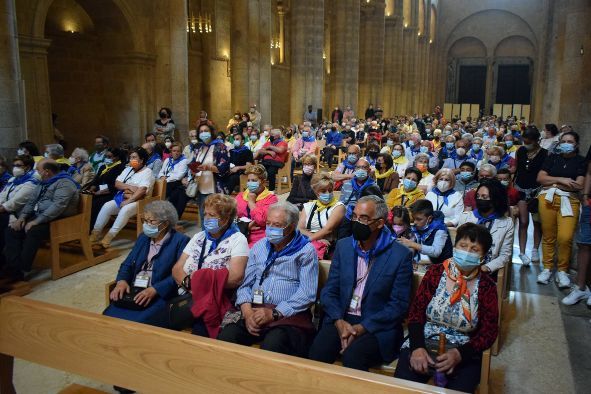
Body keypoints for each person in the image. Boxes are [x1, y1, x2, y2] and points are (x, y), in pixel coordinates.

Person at [309, 195, 413, 370]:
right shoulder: (344, 246)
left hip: (376, 323)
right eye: (354, 216)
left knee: (354, 357)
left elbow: (398, 305)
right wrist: (338, 321)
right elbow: (329, 291)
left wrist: (361, 328)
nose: (356, 222)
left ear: (379, 223)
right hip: (340, 317)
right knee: (316, 354)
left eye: (363, 218)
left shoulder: (400, 255)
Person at [394, 223, 499, 393]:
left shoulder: (486, 286)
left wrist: (460, 354)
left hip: (463, 348)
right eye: (463, 246)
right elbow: (416, 313)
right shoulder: (435, 273)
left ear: (483, 256)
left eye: (474, 249)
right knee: (402, 388)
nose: (466, 252)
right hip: (424, 339)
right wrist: (417, 347)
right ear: (455, 247)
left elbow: (489, 330)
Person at [218, 201, 318, 357]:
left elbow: (307, 293)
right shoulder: (259, 246)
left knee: (274, 343)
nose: (270, 229)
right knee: (227, 336)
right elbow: (245, 283)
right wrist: (247, 311)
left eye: (277, 225)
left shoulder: (305, 251)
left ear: (291, 227)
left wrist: (275, 313)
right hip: (254, 309)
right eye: (268, 224)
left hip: (287, 314)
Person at [170, 194, 249, 336]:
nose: (206, 218)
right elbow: (177, 268)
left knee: (200, 332)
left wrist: (202, 287)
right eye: (205, 213)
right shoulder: (199, 236)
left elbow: (235, 278)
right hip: (189, 294)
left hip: (215, 299)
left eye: (211, 215)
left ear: (225, 219)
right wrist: (190, 284)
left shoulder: (238, 239)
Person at [105, 201, 190, 327]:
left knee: (135, 324)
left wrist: (156, 289)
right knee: (108, 317)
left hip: (161, 294)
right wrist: (121, 281)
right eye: (145, 220)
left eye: (151, 221)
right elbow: (127, 264)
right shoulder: (143, 237)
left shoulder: (181, 241)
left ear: (165, 223)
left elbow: (180, 275)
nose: (147, 225)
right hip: (135, 289)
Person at [1, 160, 79, 282]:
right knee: (12, 229)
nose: (36, 172)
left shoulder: (65, 183)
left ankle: (20, 269)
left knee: (33, 230)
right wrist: (22, 218)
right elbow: (31, 202)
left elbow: (58, 207)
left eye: (38, 169)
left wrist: (36, 221)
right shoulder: (43, 182)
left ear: (47, 171)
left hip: (60, 220)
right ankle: (14, 267)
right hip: (40, 216)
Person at [536, 131, 586, 287]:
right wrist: (561, 180)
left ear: (576, 144)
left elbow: (579, 184)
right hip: (548, 198)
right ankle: (547, 267)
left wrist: (552, 181)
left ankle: (562, 270)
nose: (566, 144)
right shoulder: (552, 158)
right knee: (549, 236)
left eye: (570, 141)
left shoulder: (581, 161)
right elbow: (540, 178)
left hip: (569, 200)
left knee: (565, 237)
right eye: (563, 141)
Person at [91, 147, 155, 249]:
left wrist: (129, 199)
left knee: (125, 209)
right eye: (130, 157)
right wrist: (130, 187)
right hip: (123, 197)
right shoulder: (128, 169)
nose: (131, 160)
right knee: (107, 206)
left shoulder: (147, 172)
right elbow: (117, 184)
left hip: (141, 201)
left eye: (134, 157)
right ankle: (95, 234)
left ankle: (108, 238)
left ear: (142, 159)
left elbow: (141, 190)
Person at [457, 179, 514, 273]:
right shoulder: (466, 217)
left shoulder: (507, 223)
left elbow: (505, 255)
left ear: (495, 199)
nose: (480, 200)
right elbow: (457, 246)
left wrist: (487, 267)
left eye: (484, 197)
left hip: (486, 270)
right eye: (478, 196)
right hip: (462, 266)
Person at [513, 127, 547, 265]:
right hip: (520, 188)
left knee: (538, 223)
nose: (525, 143)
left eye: (528, 141)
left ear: (536, 140)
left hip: (537, 191)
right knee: (523, 221)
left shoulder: (545, 154)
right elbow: (516, 168)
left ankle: (534, 249)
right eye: (524, 141)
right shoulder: (520, 151)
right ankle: (521, 252)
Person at [185, 123, 230, 225]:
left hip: (215, 188)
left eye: (206, 131)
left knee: (217, 218)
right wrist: (192, 170)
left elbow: (224, 168)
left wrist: (208, 167)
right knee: (204, 216)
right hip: (200, 187)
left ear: (211, 132)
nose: (203, 133)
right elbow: (193, 162)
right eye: (201, 132)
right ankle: (207, 239)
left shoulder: (220, 146)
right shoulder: (198, 147)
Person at [0, 155, 38, 268]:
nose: (15, 168)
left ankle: (12, 268)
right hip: (8, 213)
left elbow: (15, 203)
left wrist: (3, 208)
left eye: (18, 165)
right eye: (14, 165)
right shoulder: (13, 180)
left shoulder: (32, 182)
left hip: (22, 214)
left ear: (27, 167)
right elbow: (2, 195)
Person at [562, 159, 591, 305]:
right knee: (584, 244)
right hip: (590, 203)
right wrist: (585, 196)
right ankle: (581, 288)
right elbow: (589, 171)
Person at [298, 174, 346, 259]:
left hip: (329, 244)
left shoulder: (339, 207)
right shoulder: (308, 206)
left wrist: (310, 239)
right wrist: (315, 239)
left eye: (330, 190)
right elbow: (300, 228)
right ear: (316, 191)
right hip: (309, 240)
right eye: (323, 191)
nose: (328, 193)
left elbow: (328, 229)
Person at [337, 158, 384, 239]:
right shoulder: (347, 184)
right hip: (348, 217)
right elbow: (341, 204)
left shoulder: (374, 187)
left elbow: (379, 208)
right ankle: (342, 244)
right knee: (343, 229)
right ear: (355, 170)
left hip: (365, 218)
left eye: (364, 167)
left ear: (369, 170)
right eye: (358, 167)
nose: (360, 170)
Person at [83, 148, 127, 228]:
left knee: (95, 203)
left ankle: (90, 227)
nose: (107, 159)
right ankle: (82, 225)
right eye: (106, 156)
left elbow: (114, 185)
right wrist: (92, 188)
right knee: (85, 200)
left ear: (116, 157)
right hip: (98, 190)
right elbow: (96, 180)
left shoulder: (121, 168)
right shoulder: (103, 167)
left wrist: (100, 192)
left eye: (109, 156)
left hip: (111, 192)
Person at [235, 164, 278, 247]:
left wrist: (251, 203)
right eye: (249, 180)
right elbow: (231, 216)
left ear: (263, 181)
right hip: (240, 232)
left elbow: (261, 221)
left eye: (254, 181)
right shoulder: (241, 195)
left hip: (259, 236)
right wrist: (246, 226)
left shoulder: (271, 199)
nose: (250, 183)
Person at [399, 200, 453, 265]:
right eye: (414, 218)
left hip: (442, 266)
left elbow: (436, 252)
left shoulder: (440, 229)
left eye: (418, 219)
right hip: (425, 263)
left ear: (429, 218)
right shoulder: (419, 226)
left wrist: (413, 244)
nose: (415, 222)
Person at [158, 142, 188, 217]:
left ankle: (162, 209)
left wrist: (166, 179)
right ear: (171, 152)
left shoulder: (184, 161)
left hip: (176, 183)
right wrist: (162, 177)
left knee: (170, 193)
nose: (176, 153)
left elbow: (179, 176)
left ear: (181, 152)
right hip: (164, 181)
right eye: (174, 151)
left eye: (178, 151)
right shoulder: (168, 160)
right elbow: (161, 171)